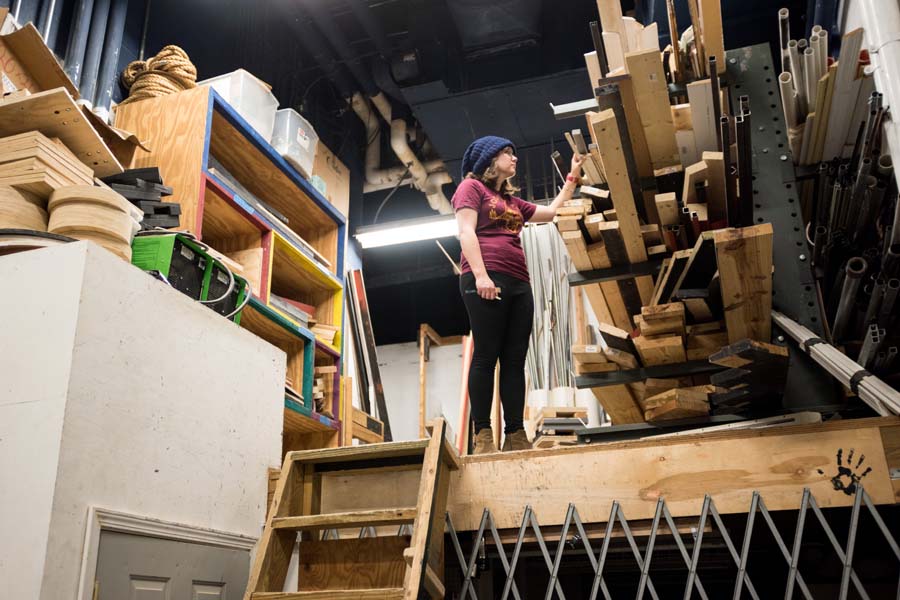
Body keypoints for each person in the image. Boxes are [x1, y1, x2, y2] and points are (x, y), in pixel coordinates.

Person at [453, 135, 585, 453]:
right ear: (488, 159)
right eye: (507, 153)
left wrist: (572, 179)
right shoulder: (470, 189)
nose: (515, 158)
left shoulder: (513, 203)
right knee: (486, 356)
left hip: (518, 282)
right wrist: (482, 276)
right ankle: (483, 435)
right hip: (484, 277)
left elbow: (551, 213)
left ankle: (514, 435)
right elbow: (465, 231)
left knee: (514, 361)